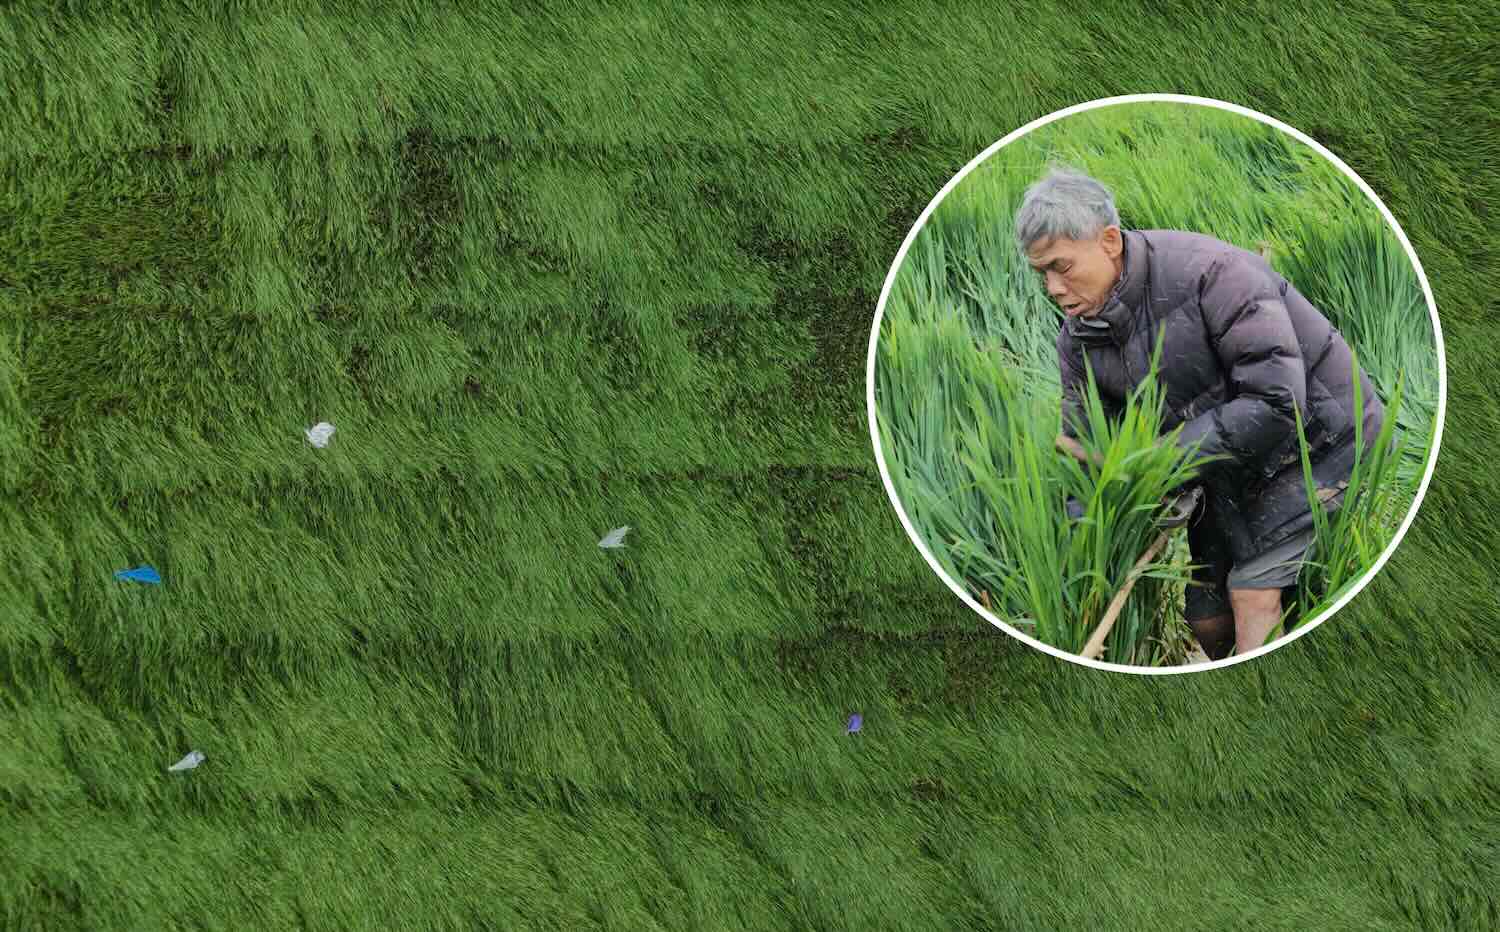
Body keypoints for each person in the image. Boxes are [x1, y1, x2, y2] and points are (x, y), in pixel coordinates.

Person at [1014, 166, 1385, 659]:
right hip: (1222, 468)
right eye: (1042, 273)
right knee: (1207, 619)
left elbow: (1276, 401)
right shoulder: (1079, 341)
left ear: (1108, 241)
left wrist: (1157, 462)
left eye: (1062, 267)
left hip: (1319, 444)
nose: (1054, 288)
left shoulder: (1214, 274)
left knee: (1252, 592)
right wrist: (1084, 548)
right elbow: (1088, 450)